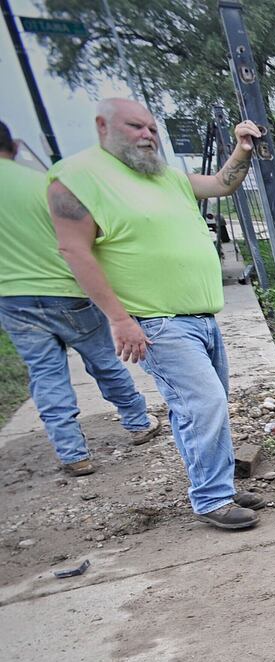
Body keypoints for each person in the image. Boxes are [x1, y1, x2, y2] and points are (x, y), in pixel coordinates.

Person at [48, 99, 265, 530]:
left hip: (200, 318)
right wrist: (118, 319)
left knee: (200, 407)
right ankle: (212, 497)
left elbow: (222, 185)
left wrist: (241, 148)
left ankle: (215, 482)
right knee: (204, 403)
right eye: (135, 126)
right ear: (102, 126)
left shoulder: (163, 175)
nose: (148, 134)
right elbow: (74, 249)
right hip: (157, 322)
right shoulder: (77, 178)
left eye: (151, 127)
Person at [0, 118, 159, 475]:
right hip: (67, 290)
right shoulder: (44, 184)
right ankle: (137, 421)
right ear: (14, 146)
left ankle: (73, 453)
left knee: (45, 374)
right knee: (103, 360)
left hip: (12, 298)